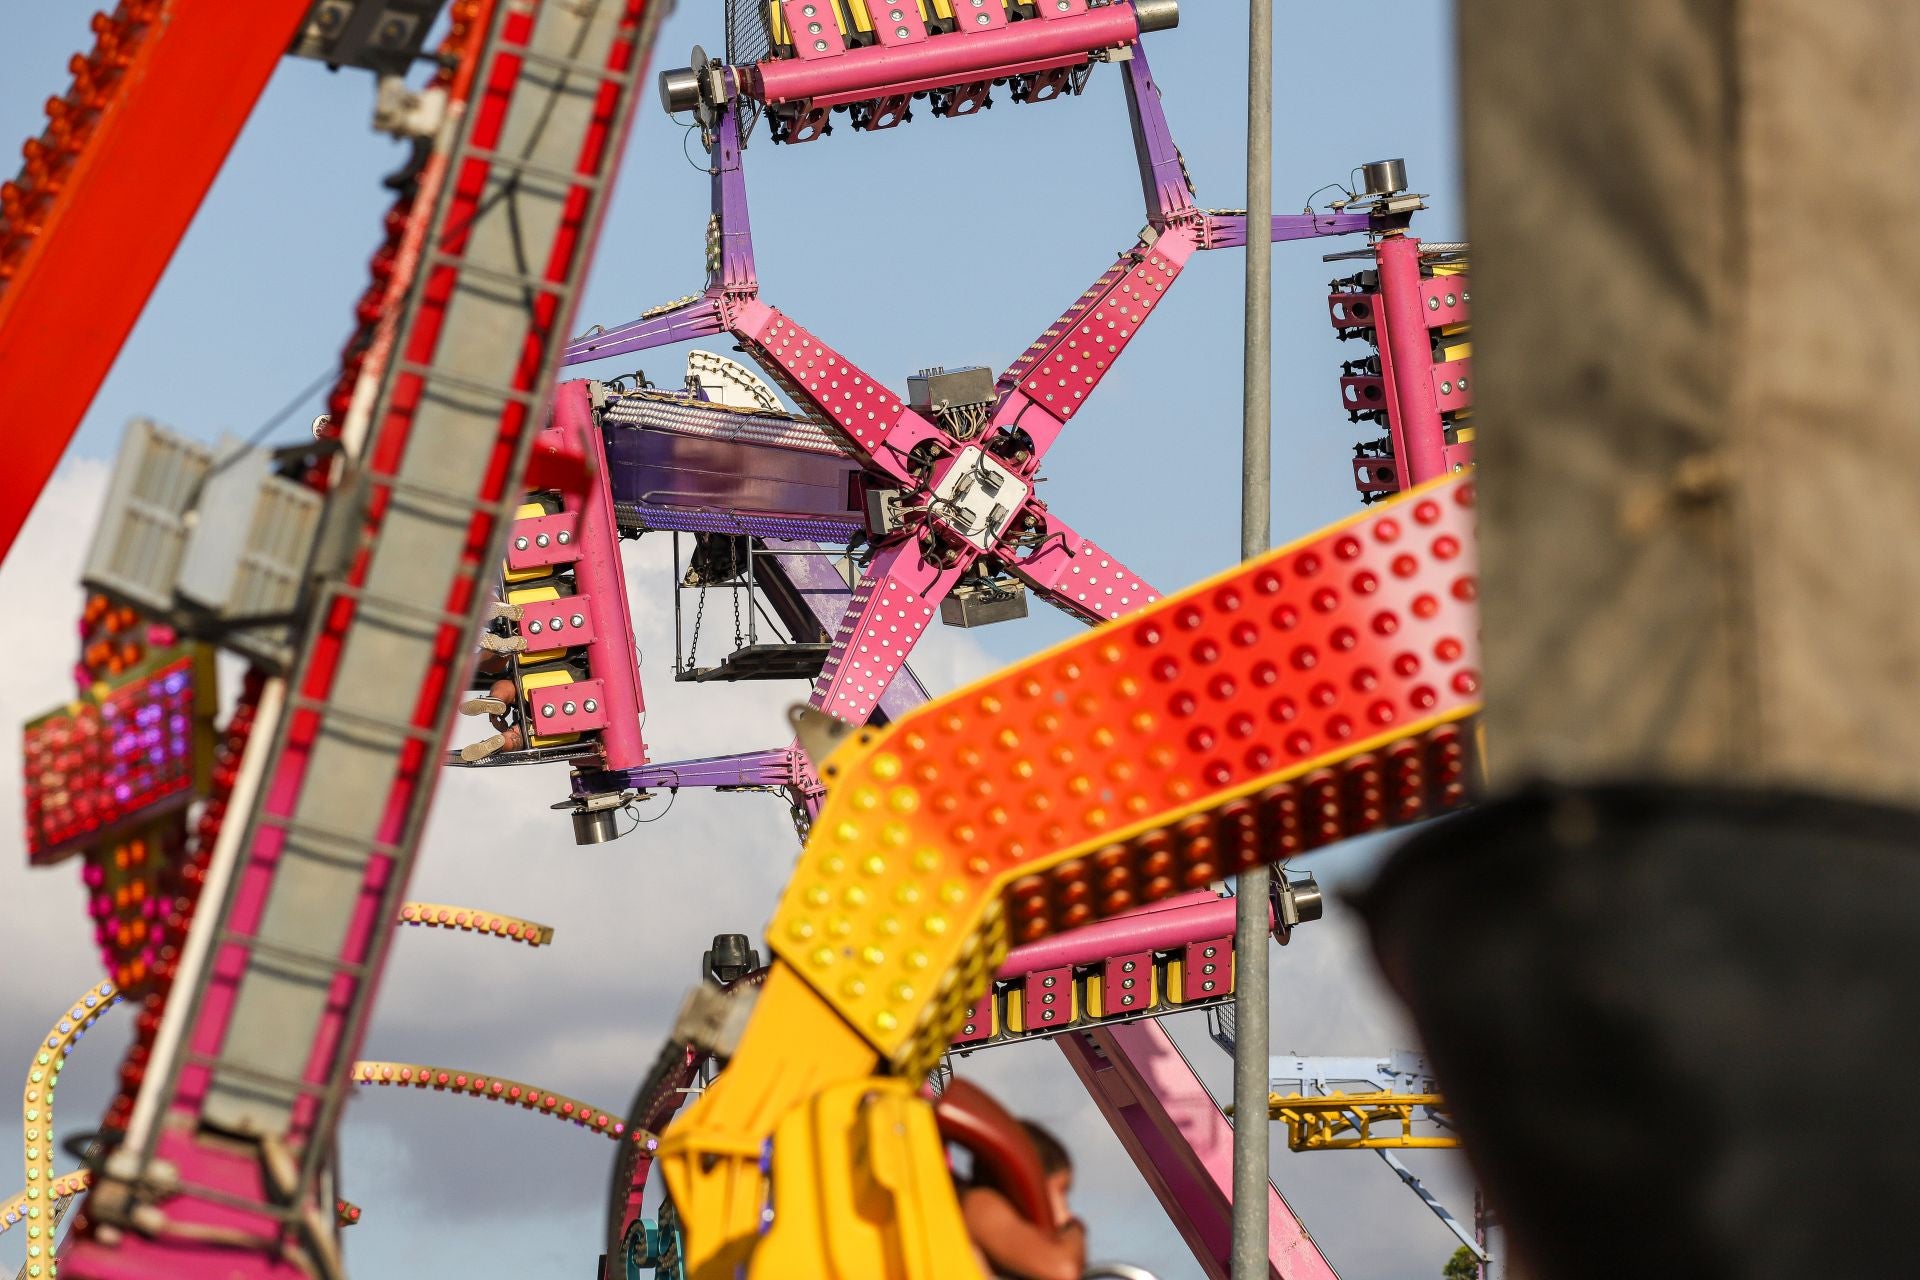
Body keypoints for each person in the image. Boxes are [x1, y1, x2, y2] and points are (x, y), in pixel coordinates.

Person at [960, 1120, 1087, 1280]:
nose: (1067, 1208)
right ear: (1030, 1181)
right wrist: (1074, 1227)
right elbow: (1063, 1270)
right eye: (1061, 1191)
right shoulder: (981, 1202)